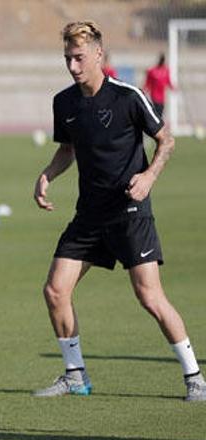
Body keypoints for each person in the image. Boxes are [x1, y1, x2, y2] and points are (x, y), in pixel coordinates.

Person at [32, 21, 205, 401]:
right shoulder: (64, 102)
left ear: (98, 55)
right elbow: (67, 150)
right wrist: (47, 174)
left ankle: (194, 377)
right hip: (89, 215)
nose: (73, 67)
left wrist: (148, 177)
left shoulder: (128, 97)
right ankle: (75, 375)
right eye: (67, 59)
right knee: (55, 290)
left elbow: (166, 140)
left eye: (78, 58)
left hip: (130, 211)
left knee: (150, 297)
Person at [144, 53, 173, 118]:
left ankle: (158, 124)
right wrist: (145, 89)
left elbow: (168, 81)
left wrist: (172, 87)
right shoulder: (152, 71)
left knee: (161, 110)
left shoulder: (166, 70)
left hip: (162, 95)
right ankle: (156, 124)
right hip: (154, 94)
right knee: (156, 110)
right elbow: (148, 82)